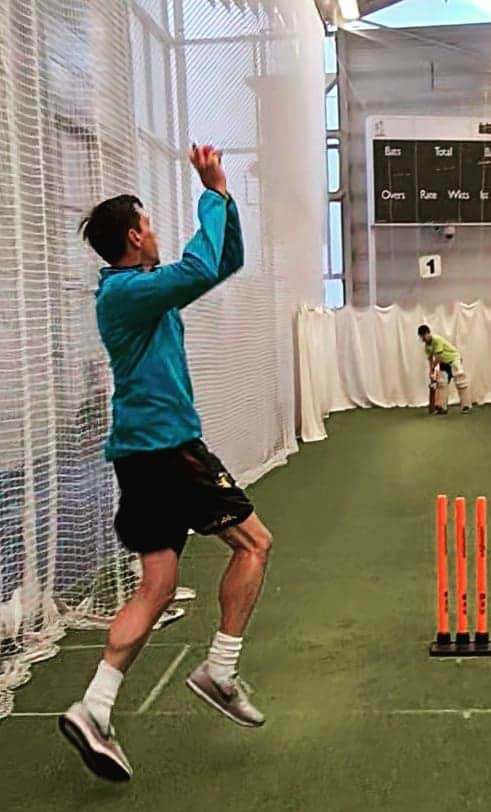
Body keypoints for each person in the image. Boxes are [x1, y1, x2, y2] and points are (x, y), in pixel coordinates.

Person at [59, 145, 272, 783]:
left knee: (155, 587)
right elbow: (202, 262)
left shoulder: (140, 293)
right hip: (168, 450)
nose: (156, 233)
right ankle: (221, 669)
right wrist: (211, 188)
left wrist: (226, 199)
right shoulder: (128, 293)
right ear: (133, 236)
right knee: (255, 544)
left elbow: (222, 260)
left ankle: (94, 707)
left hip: (142, 455)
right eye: (149, 225)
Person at [418, 324, 472, 415]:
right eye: (421, 337)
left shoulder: (437, 339)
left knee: (460, 380)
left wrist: (434, 370)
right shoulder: (427, 346)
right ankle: (442, 407)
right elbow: (431, 359)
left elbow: (438, 357)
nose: (423, 339)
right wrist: (431, 372)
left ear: (428, 333)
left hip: (454, 359)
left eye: (424, 336)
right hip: (444, 362)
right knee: (442, 383)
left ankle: (466, 406)